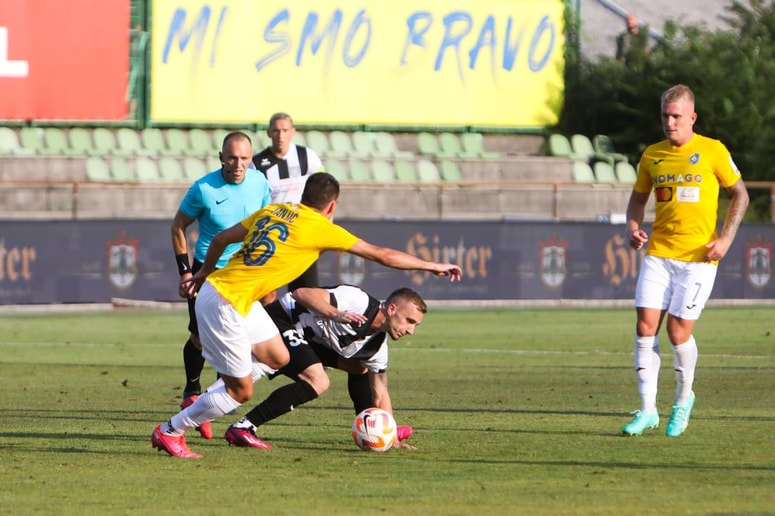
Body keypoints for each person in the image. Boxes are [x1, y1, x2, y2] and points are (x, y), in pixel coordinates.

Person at [152, 172, 462, 458]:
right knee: (241, 390)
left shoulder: (273, 210)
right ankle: (172, 430)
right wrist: (432, 266)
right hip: (226, 303)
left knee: (277, 356)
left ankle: (212, 401)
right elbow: (381, 255)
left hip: (230, 294)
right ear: (331, 206)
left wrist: (204, 272)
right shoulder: (320, 228)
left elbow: (220, 240)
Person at [622, 84, 749, 437]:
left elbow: (740, 194)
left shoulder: (713, 151)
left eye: (677, 116)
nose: (670, 122)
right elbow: (637, 200)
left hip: (699, 259)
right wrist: (633, 227)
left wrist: (726, 239)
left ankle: (682, 400)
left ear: (692, 117)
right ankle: (648, 409)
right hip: (660, 254)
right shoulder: (653, 156)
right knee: (645, 326)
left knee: (678, 332)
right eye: (665, 115)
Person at [222, 285, 424, 451]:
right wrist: (336, 314)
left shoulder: (377, 348)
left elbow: (380, 392)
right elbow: (301, 293)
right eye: (410, 321)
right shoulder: (358, 301)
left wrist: (390, 437)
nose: (411, 331)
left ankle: (370, 429)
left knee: (359, 368)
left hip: (308, 339)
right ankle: (245, 426)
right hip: (280, 321)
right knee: (318, 380)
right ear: (391, 309)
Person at [170, 131, 272, 439]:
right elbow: (178, 225)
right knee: (200, 338)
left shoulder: (260, 183)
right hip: (208, 270)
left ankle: (216, 398)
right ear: (221, 158)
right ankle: (191, 390)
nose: (238, 164)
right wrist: (186, 272)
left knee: (235, 338)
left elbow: (265, 226)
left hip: (244, 271)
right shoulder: (203, 188)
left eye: (244, 158)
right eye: (232, 157)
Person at [252, 112, 324, 305]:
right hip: (272, 235)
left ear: (292, 132)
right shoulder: (257, 164)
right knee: (267, 293)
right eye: (276, 130)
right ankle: (267, 332)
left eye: (284, 130)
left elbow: (323, 188)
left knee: (306, 292)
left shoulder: (307, 156)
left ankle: (305, 333)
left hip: (302, 234)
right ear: (268, 133)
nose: (280, 135)